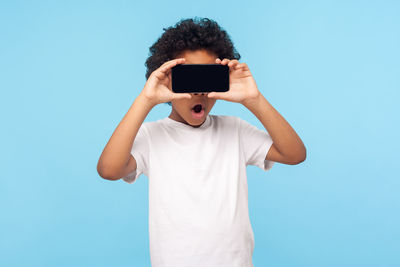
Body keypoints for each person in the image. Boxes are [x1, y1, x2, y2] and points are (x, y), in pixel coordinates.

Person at [97, 17, 306, 267]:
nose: (198, 92)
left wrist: (254, 99)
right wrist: (146, 99)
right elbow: (109, 170)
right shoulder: (151, 136)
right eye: (188, 78)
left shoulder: (235, 130)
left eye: (206, 78)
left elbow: (295, 154)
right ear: (167, 79)